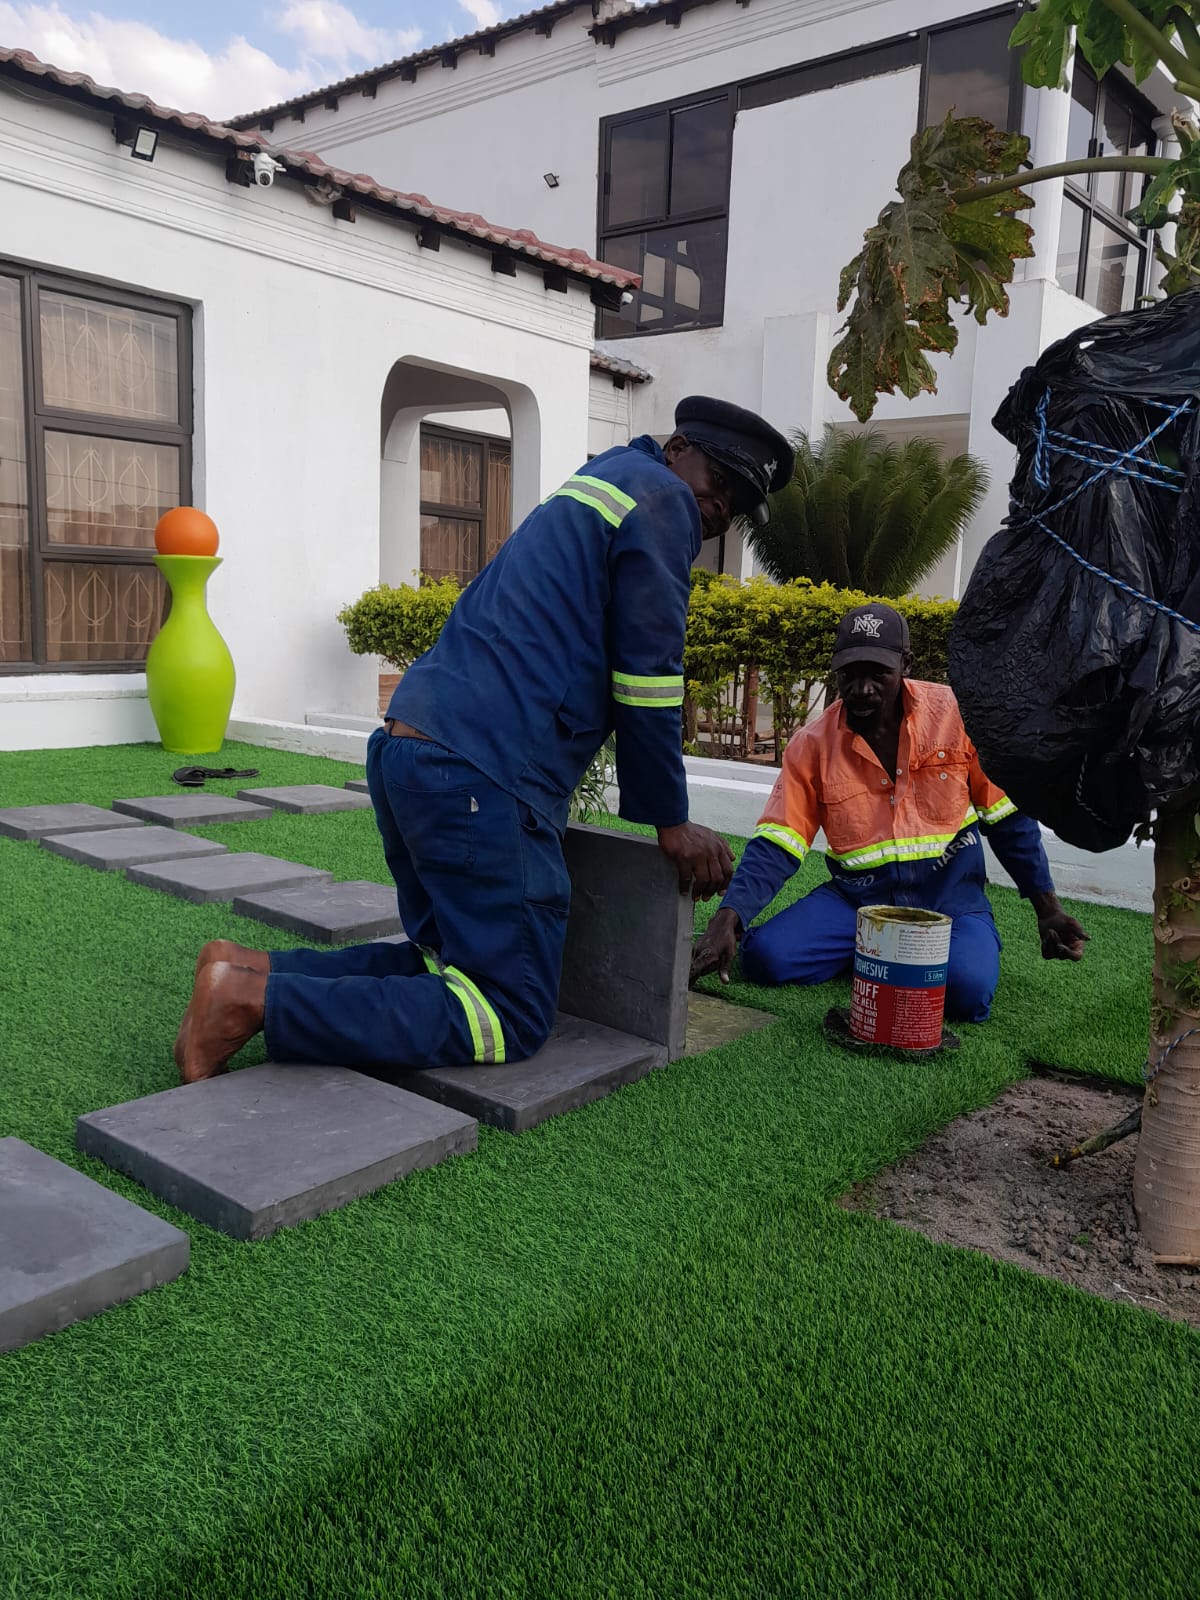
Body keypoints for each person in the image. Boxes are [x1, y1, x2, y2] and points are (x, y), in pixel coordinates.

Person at [175, 396, 795, 1081]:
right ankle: (249, 1002)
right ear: (679, 449)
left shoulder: (609, 479)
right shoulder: (661, 500)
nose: (720, 510)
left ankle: (248, 970)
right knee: (508, 1011)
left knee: (450, 967)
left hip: (414, 750)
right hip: (479, 774)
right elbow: (649, 673)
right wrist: (670, 820)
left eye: (737, 504)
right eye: (721, 483)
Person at [690, 602, 1088, 1016]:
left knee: (967, 993)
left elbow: (1008, 821)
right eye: (850, 674)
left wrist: (1048, 910)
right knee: (765, 960)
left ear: (905, 665)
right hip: (857, 904)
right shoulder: (812, 745)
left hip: (949, 902)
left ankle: (878, 956)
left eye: (877, 673)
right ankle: (881, 952)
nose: (862, 688)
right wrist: (727, 919)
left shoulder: (956, 717)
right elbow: (777, 843)